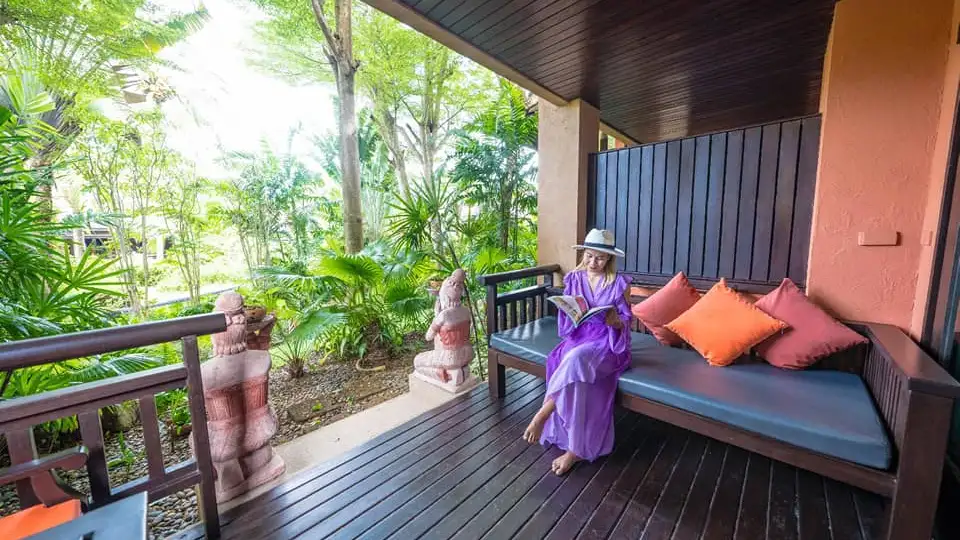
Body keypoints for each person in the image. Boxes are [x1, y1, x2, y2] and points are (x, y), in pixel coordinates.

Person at [522, 229, 633, 475]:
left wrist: (614, 321)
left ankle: (543, 413)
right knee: (576, 372)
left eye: (600, 258)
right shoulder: (574, 278)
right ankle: (575, 449)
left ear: (609, 258)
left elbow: (625, 322)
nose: (594, 262)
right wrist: (570, 312)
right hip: (579, 337)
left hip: (606, 342)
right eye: (590, 256)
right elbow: (568, 317)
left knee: (575, 360)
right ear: (584, 254)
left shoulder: (619, 283)